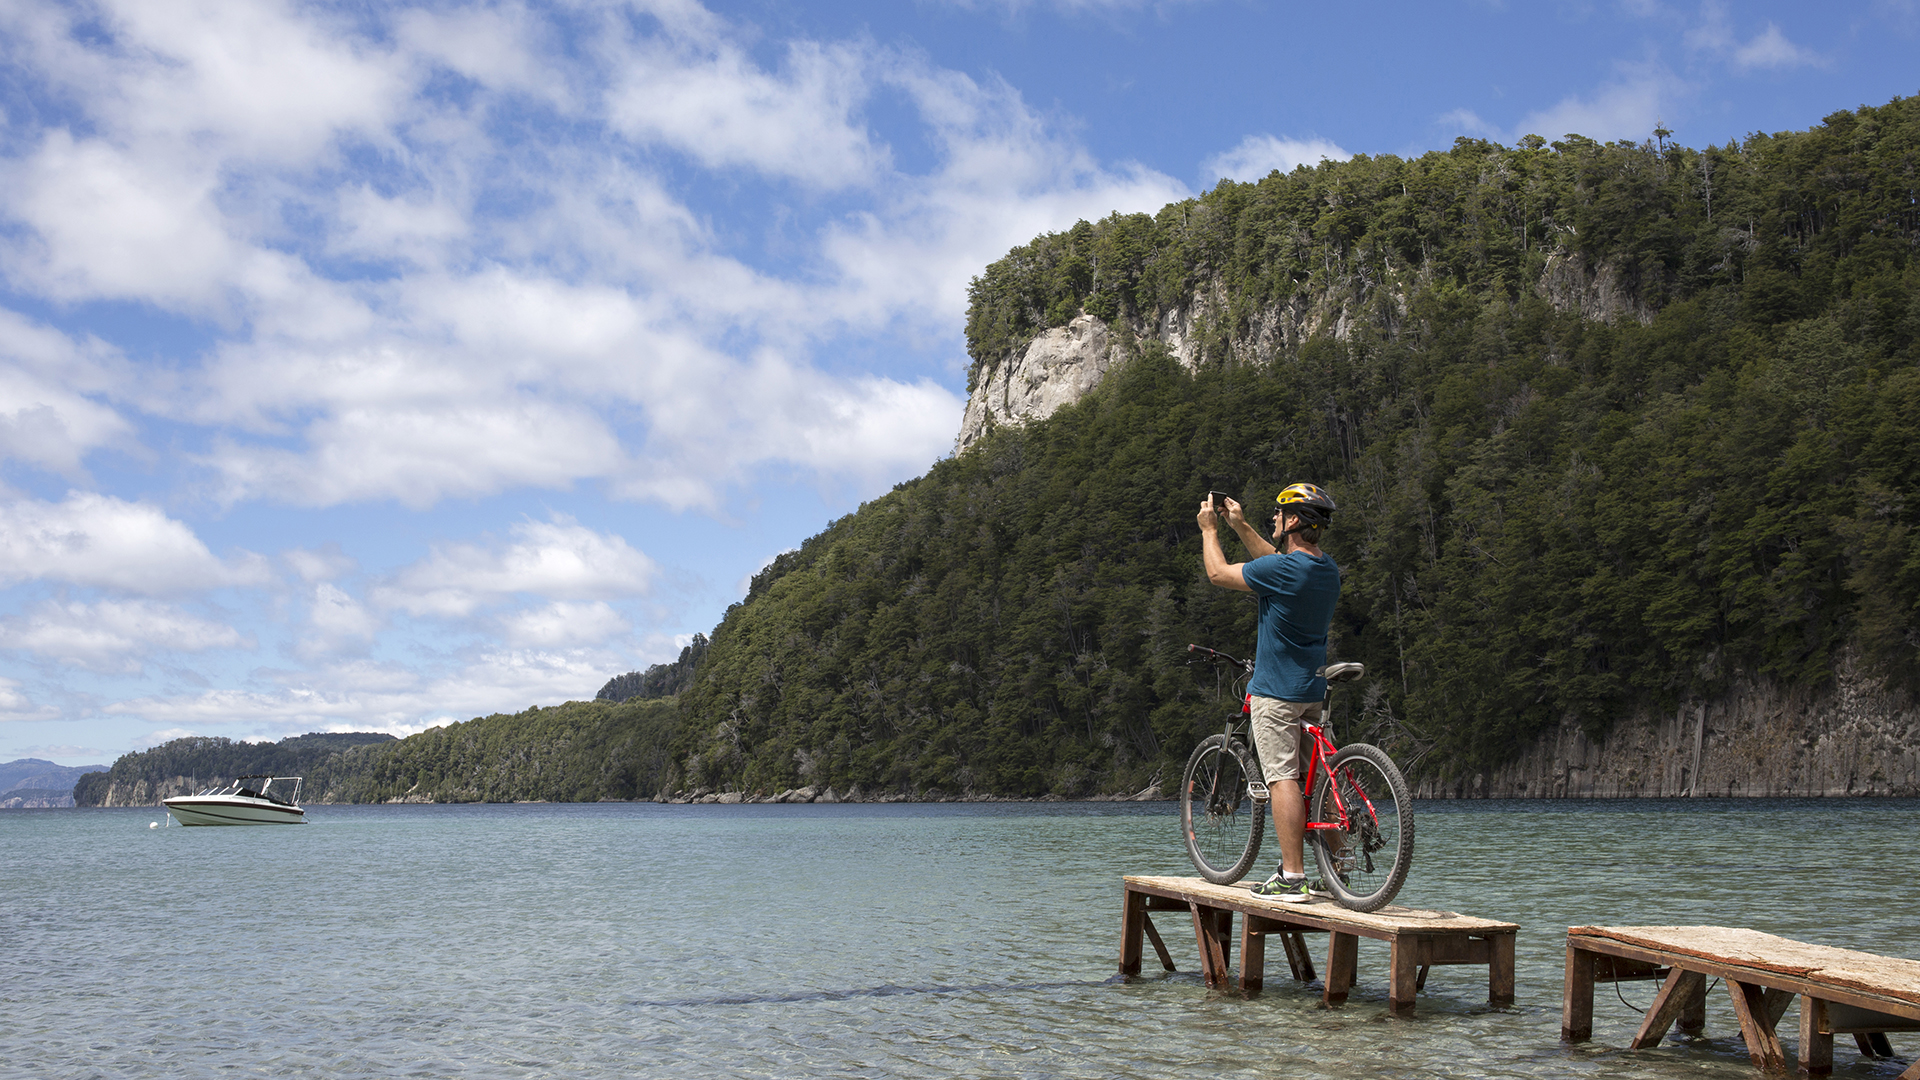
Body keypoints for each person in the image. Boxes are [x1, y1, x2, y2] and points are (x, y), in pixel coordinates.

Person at [1196, 483, 1341, 902]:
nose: (1273, 519)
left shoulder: (1281, 571)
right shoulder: (1325, 569)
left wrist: (1211, 530)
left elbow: (1217, 573)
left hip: (1277, 692)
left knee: (1283, 779)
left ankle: (1291, 877)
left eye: (1278, 514)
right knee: (1322, 782)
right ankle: (1338, 874)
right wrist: (1239, 525)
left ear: (1294, 521)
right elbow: (1275, 561)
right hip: (1314, 689)